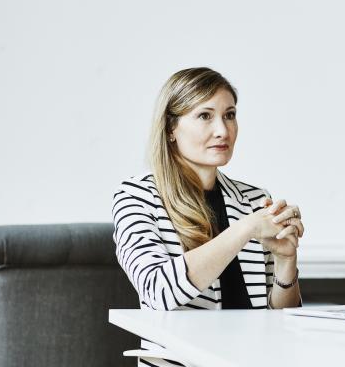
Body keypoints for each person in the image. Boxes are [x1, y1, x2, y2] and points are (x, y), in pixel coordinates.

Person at [112, 67, 304, 367]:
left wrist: (285, 264)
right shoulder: (137, 196)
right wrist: (245, 229)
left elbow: (281, 326)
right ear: (171, 129)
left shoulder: (254, 199)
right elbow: (158, 290)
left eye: (229, 115)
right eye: (205, 116)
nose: (223, 131)